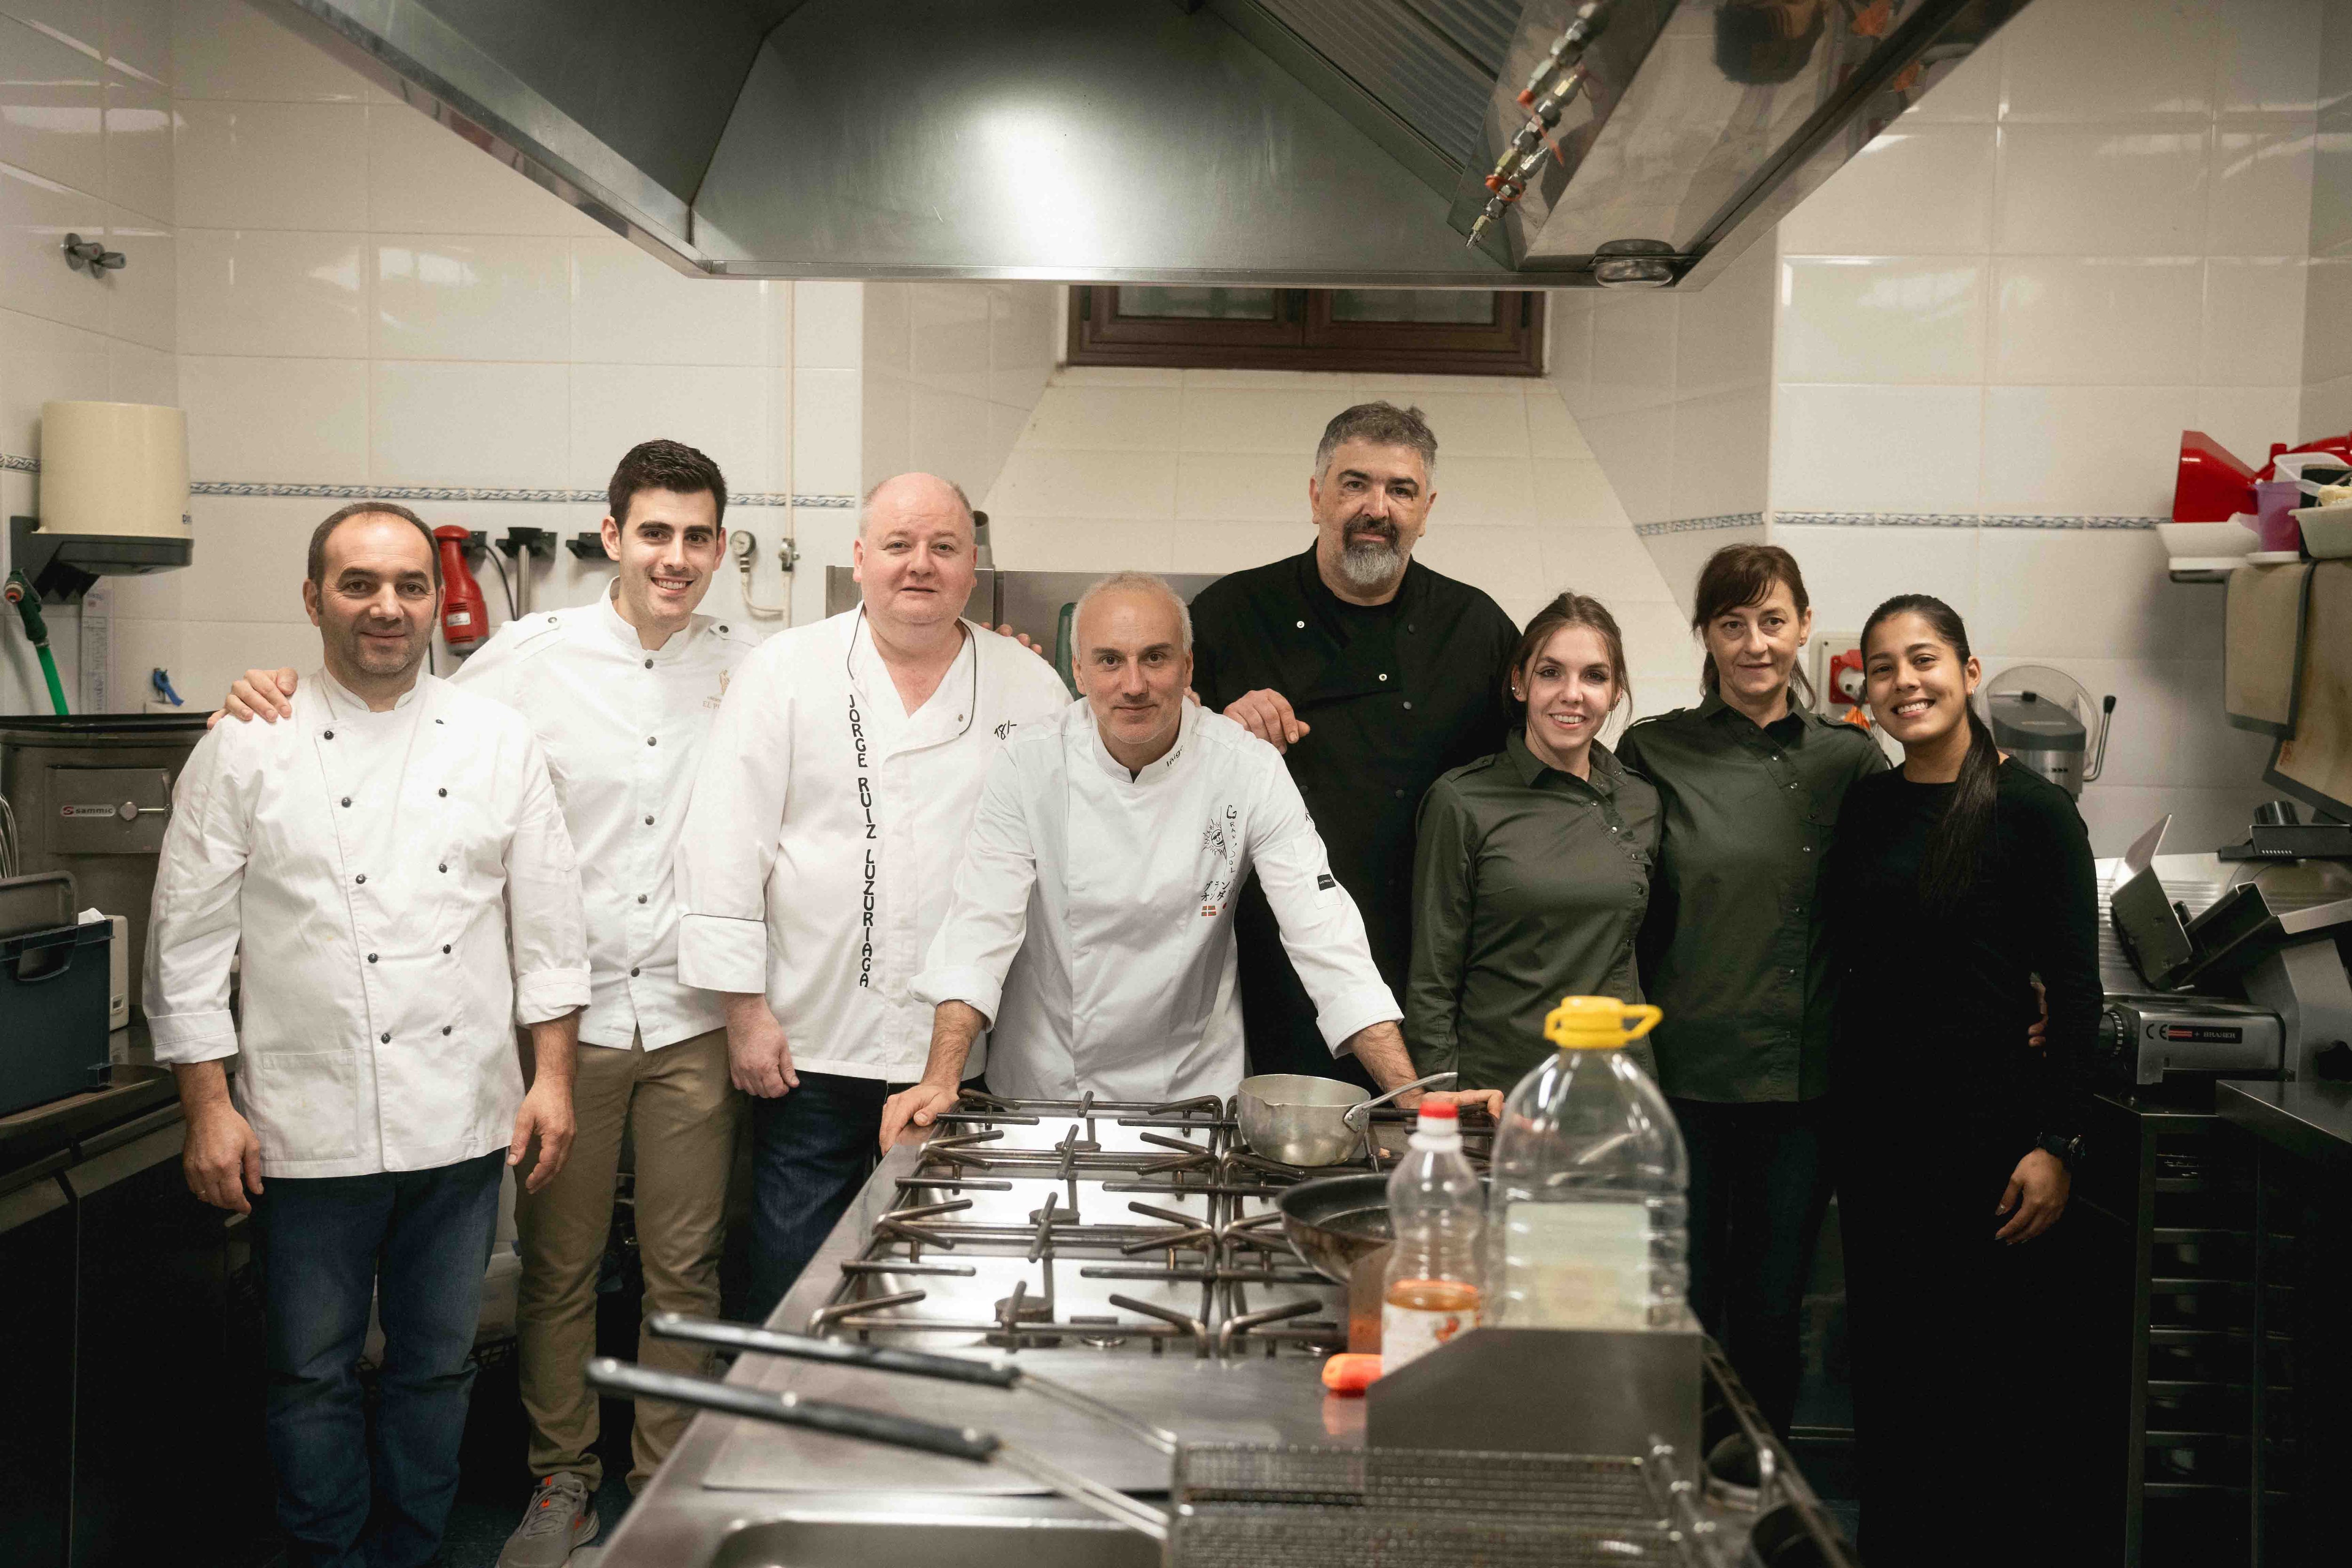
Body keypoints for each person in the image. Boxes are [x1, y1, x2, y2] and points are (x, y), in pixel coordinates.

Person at [216, 443, 755, 1562]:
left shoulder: (753, 668)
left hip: (697, 1011)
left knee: (685, 1268)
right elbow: (397, 718)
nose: (676, 555)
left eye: (697, 535)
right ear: (612, 535)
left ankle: (664, 1485)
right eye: (654, 531)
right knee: (557, 1267)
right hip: (565, 1018)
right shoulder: (528, 657)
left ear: (720, 548)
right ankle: (561, 1480)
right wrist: (270, 686)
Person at [147, 503, 589, 1568]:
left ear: (435, 601)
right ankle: (326, 1555)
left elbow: (552, 923)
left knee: (437, 1365)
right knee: (309, 1368)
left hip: (463, 1114)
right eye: (358, 584)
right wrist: (208, 1104)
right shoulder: (247, 742)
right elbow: (187, 938)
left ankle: (410, 1550)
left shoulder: (495, 739)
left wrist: (554, 1080)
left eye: (407, 586)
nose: (386, 607)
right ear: (313, 600)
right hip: (307, 1121)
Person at [880, 572, 1483, 1144]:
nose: (1133, 684)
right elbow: (979, 924)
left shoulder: (1246, 768)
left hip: (1193, 1100)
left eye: (1155, 657)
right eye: (1110, 660)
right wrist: (941, 1078)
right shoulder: (1029, 764)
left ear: (1188, 665)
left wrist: (1406, 1093)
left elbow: (1324, 934)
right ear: (1079, 670)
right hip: (1047, 1089)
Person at [674, 473, 1073, 1318]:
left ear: (974, 565)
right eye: (898, 545)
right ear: (860, 559)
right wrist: (743, 1011)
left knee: (951, 1288)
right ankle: (781, 1439)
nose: (918, 565)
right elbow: (723, 847)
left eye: (943, 547)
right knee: (791, 1284)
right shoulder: (783, 672)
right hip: (810, 1046)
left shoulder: (1034, 689)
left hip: (969, 1059)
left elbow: (1062, 876)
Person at [1826, 594, 2096, 1567]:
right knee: (1892, 1372)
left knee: (1986, 1381)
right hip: (1878, 1137)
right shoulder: (1867, 802)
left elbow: (2075, 990)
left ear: (1970, 673)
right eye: (1884, 668)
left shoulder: (2034, 811)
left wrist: (2055, 1142)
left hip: (1991, 1145)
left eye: (1925, 658)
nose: (1906, 681)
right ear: (1865, 693)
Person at [1610, 544, 1885, 1438]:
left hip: (1804, 1089)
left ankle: (1750, 1503)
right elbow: (1613, 896)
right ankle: (1670, 1493)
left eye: (1773, 621)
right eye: (1733, 624)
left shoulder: (1852, 760)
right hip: (1681, 1074)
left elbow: (1920, 879)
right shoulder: (1654, 748)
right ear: (1707, 635)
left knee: (1771, 1312)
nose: (1755, 643)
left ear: (1805, 625)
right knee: (1677, 1300)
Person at [1188, 402, 1519, 1089]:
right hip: (1268, 959)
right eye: (1354, 484)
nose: (1378, 507)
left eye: (1400, 490)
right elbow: (1152, 775)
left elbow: (1521, 790)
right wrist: (1216, 730)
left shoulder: (1477, 628)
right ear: (1316, 497)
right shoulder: (1229, 616)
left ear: (1426, 508)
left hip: (1433, 960)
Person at [1408, 591, 1661, 1092]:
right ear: (1519, 683)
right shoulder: (1462, 800)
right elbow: (1431, 984)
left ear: (1614, 692)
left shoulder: (1640, 799)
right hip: (1502, 1093)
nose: (1572, 693)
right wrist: (1444, 1098)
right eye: (1550, 673)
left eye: (1594, 676)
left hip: (1616, 1089)